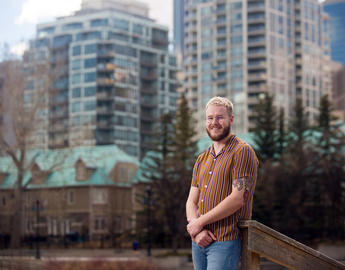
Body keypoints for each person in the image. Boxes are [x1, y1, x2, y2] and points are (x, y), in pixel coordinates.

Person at [186, 96, 259, 270]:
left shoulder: (242, 152)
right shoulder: (201, 158)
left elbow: (237, 199)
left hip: (224, 241)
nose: (214, 122)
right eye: (210, 118)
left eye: (220, 117)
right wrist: (196, 229)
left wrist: (199, 222)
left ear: (231, 119)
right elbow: (192, 201)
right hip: (198, 241)